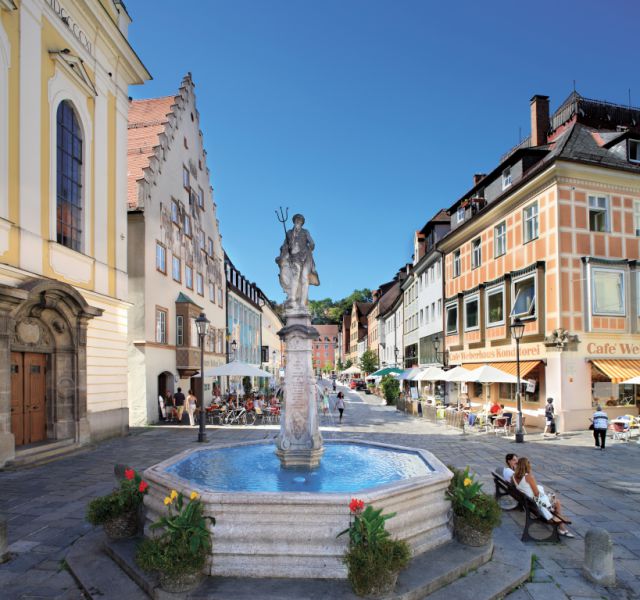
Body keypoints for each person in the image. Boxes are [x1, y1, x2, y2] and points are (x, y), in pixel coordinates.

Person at [513, 457, 574, 537]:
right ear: (527, 466)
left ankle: (559, 523)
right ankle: (561, 528)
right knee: (557, 502)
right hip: (536, 502)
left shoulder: (514, 476)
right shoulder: (528, 477)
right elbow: (537, 493)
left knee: (552, 497)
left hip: (529, 502)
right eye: (529, 464)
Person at [275, 213, 319, 310]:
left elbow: (312, 243)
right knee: (295, 277)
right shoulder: (289, 233)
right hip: (294, 258)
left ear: (302, 223)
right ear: (294, 221)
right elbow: (284, 246)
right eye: (297, 220)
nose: (298, 222)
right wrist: (282, 255)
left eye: (300, 221)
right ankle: (292, 299)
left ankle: (303, 304)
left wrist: (310, 247)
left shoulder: (305, 232)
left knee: (304, 279)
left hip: (305, 257)